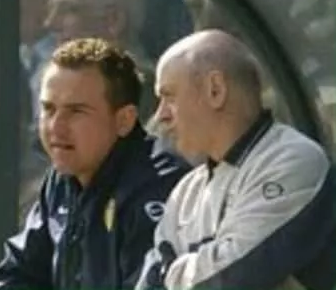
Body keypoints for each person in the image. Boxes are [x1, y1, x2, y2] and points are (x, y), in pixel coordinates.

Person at [139, 30, 336, 290]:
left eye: (169, 97)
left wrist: (173, 273)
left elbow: (233, 278)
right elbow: (149, 281)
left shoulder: (293, 160)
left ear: (215, 90)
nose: (160, 115)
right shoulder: (185, 192)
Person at [0, 38, 186, 290]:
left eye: (76, 111)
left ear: (124, 120)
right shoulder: (61, 180)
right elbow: (15, 276)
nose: (56, 127)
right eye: (48, 109)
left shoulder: (158, 185)